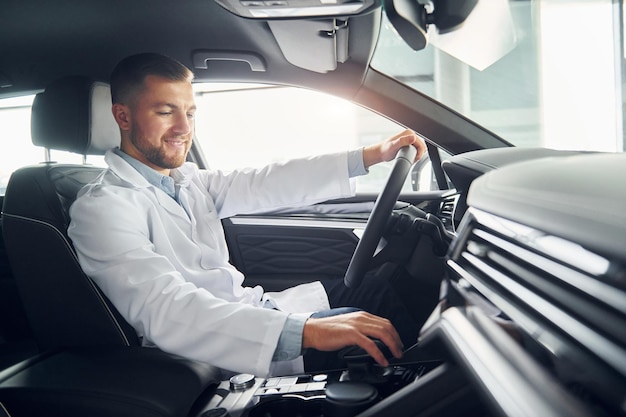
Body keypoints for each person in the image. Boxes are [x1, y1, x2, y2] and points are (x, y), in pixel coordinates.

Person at [68, 52, 427, 377]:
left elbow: (266, 182)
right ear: (123, 116)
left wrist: (372, 155)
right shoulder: (102, 207)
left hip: (249, 311)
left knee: (376, 290)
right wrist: (306, 331)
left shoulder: (186, 182)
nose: (183, 128)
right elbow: (164, 309)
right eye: (165, 112)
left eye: (189, 113)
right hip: (213, 348)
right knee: (370, 339)